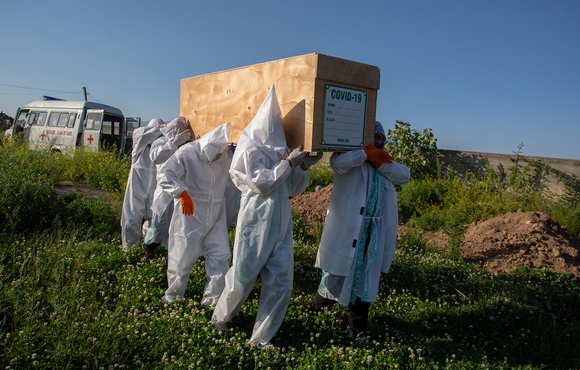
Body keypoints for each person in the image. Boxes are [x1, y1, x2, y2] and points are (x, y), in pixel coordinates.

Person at [211, 86, 321, 347]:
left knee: (281, 282)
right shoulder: (250, 148)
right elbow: (261, 183)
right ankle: (219, 319)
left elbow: (292, 188)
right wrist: (289, 163)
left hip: (281, 220)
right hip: (255, 220)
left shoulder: (281, 149)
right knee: (242, 277)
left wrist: (302, 167)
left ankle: (261, 338)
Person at [307, 121, 411, 336]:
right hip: (349, 227)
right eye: (372, 138)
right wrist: (365, 155)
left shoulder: (382, 160)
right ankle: (313, 313)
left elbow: (404, 175)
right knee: (336, 274)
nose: (377, 142)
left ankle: (357, 329)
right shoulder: (350, 157)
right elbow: (337, 163)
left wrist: (380, 163)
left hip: (373, 230)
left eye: (379, 138)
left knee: (366, 278)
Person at [158, 122, 233, 305]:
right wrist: (180, 192)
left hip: (216, 215)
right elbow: (164, 174)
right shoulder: (187, 153)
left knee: (220, 255)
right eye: (214, 155)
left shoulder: (224, 156)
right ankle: (173, 297)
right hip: (189, 214)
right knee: (182, 256)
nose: (216, 159)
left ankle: (212, 299)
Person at [142, 117, 191, 258]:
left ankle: (171, 259)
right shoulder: (160, 142)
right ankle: (148, 247)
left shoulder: (185, 146)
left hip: (181, 192)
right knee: (159, 228)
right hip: (164, 194)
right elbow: (156, 157)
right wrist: (174, 143)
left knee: (176, 228)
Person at [121, 118, 163, 251]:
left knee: (153, 221)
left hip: (153, 189)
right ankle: (129, 250)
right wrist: (166, 128)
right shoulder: (139, 143)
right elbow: (144, 134)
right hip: (137, 188)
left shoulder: (159, 148)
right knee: (132, 219)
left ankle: (148, 246)